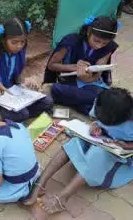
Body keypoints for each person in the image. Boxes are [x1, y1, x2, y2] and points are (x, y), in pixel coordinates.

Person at [25, 88, 133, 219]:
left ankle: (63, 198)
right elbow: (94, 119)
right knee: (74, 141)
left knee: (98, 154)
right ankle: (40, 183)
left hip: (119, 156)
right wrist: (95, 126)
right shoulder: (103, 102)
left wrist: (127, 145)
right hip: (100, 140)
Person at [0, 18, 53, 122]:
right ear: (4, 39)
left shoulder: (18, 53)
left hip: (10, 92)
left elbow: (15, 76)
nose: (19, 46)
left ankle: (13, 114)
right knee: (22, 113)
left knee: (47, 102)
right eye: (14, 42)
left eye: (22, 42)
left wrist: (26, 82)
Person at [44, 16, 119, 115]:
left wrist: (87, 79)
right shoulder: (71, 41)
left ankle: (61, 96)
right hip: (69, 80)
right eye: (96, 40)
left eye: (104, 43)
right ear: (88, 32)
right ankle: (53, 89)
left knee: (102, 98)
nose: (99, 46)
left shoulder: (108, 47)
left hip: (90, 84)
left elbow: (97, 75)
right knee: (99, 101)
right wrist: (74, 67)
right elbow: (52, 65)